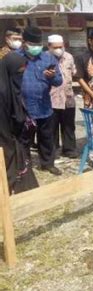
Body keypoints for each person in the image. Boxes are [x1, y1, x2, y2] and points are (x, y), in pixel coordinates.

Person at [18, 26, 63, 176]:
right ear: (24, 42)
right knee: (24, 139)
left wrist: (52, 76)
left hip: (44, 106)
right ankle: (26, 167)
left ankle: (48, 164)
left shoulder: (48, 58)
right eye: (32, 44)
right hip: (24, 107)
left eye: (38, 45)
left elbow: (59, 81)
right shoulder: (15, 58)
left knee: (46, 137)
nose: (36, 48)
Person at [0, 48, 39, 193]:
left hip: (13, 136)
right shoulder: (2, 91)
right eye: (19, 72)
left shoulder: (11, 85)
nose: (21, 76)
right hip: (5, 138)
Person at [48, 34, 78, 159]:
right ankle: (53, 150)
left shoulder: (69, 57)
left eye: (61, 46)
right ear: (49, 47)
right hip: (51, 99)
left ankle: (69, 149)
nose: (59, 49)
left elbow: (74, 72)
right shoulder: (44, 59)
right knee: (52, 126)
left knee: (69, 125)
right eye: (55, 47)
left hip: (68, 97)